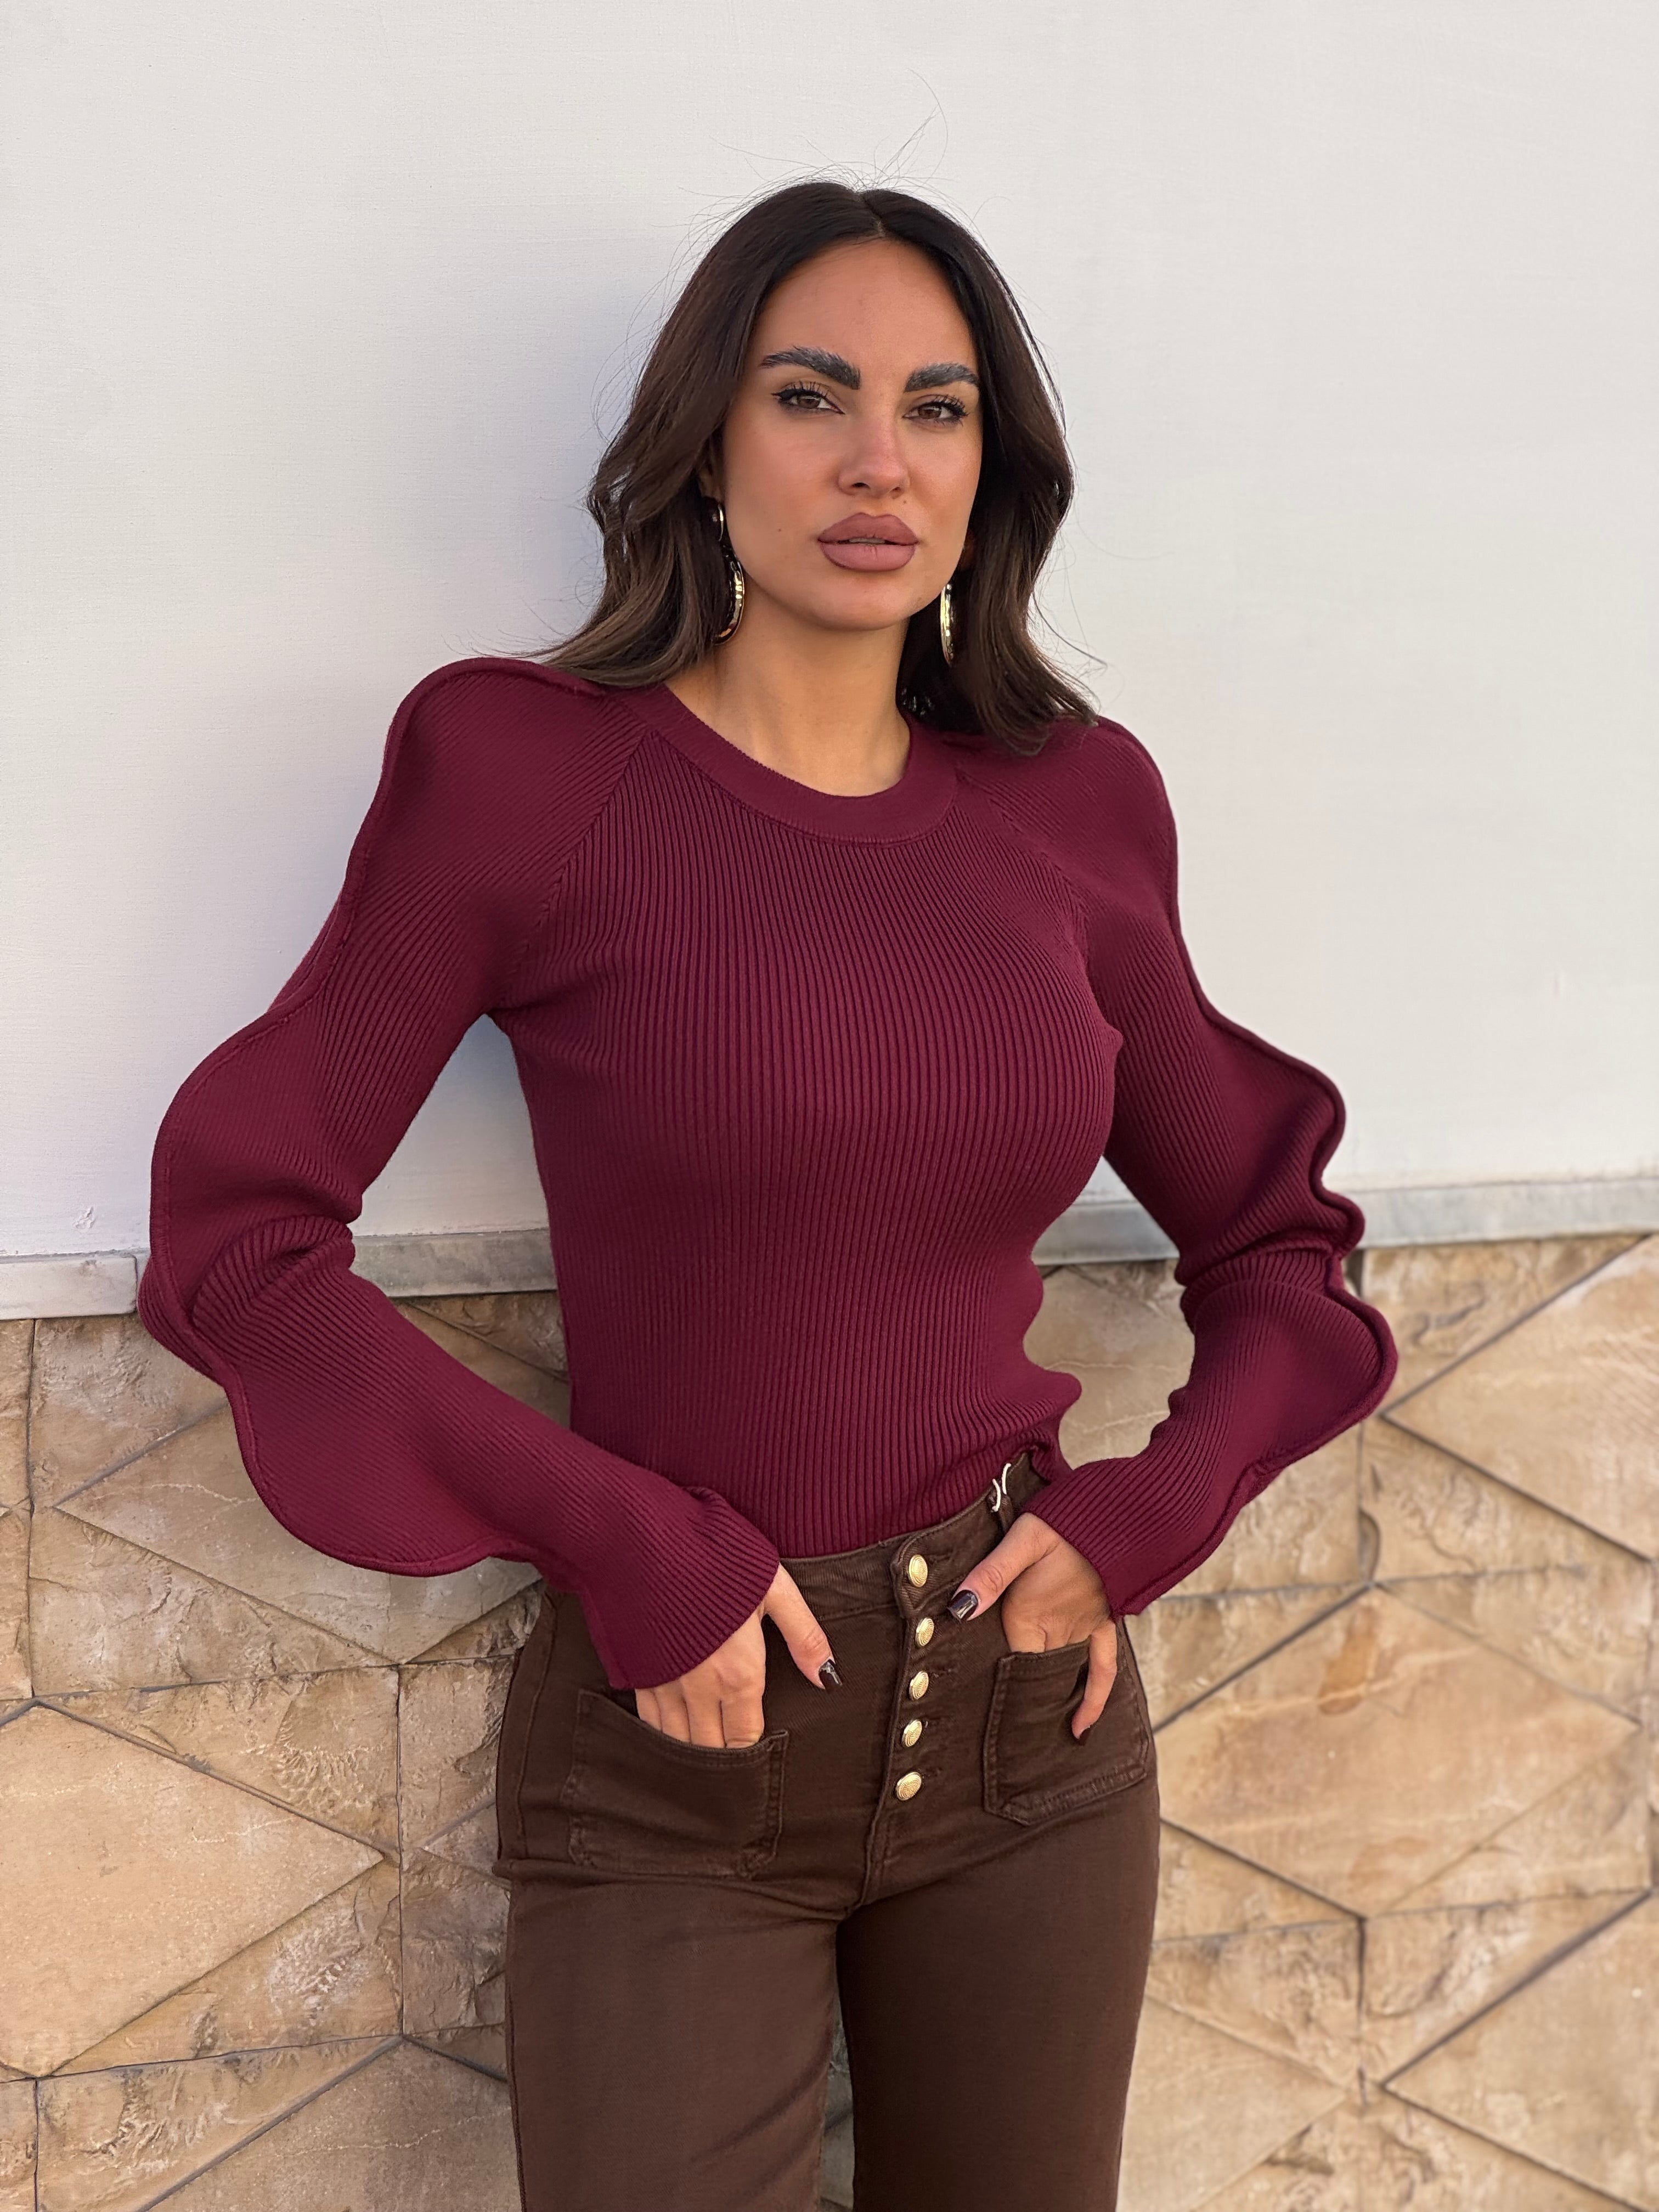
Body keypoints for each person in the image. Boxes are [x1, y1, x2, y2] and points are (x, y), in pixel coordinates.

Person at [137, 179, 1398, 2212]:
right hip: (678, 1756)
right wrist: (626, 1541)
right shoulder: (524, 774)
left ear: (992, 470)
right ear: (707, 447)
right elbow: (243, 1244)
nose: (879, 461)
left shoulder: (1073, 806)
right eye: (812, 397)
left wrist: (1149, 1514)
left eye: (938, 408)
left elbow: (1280, 1247)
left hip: (1030, 1739)